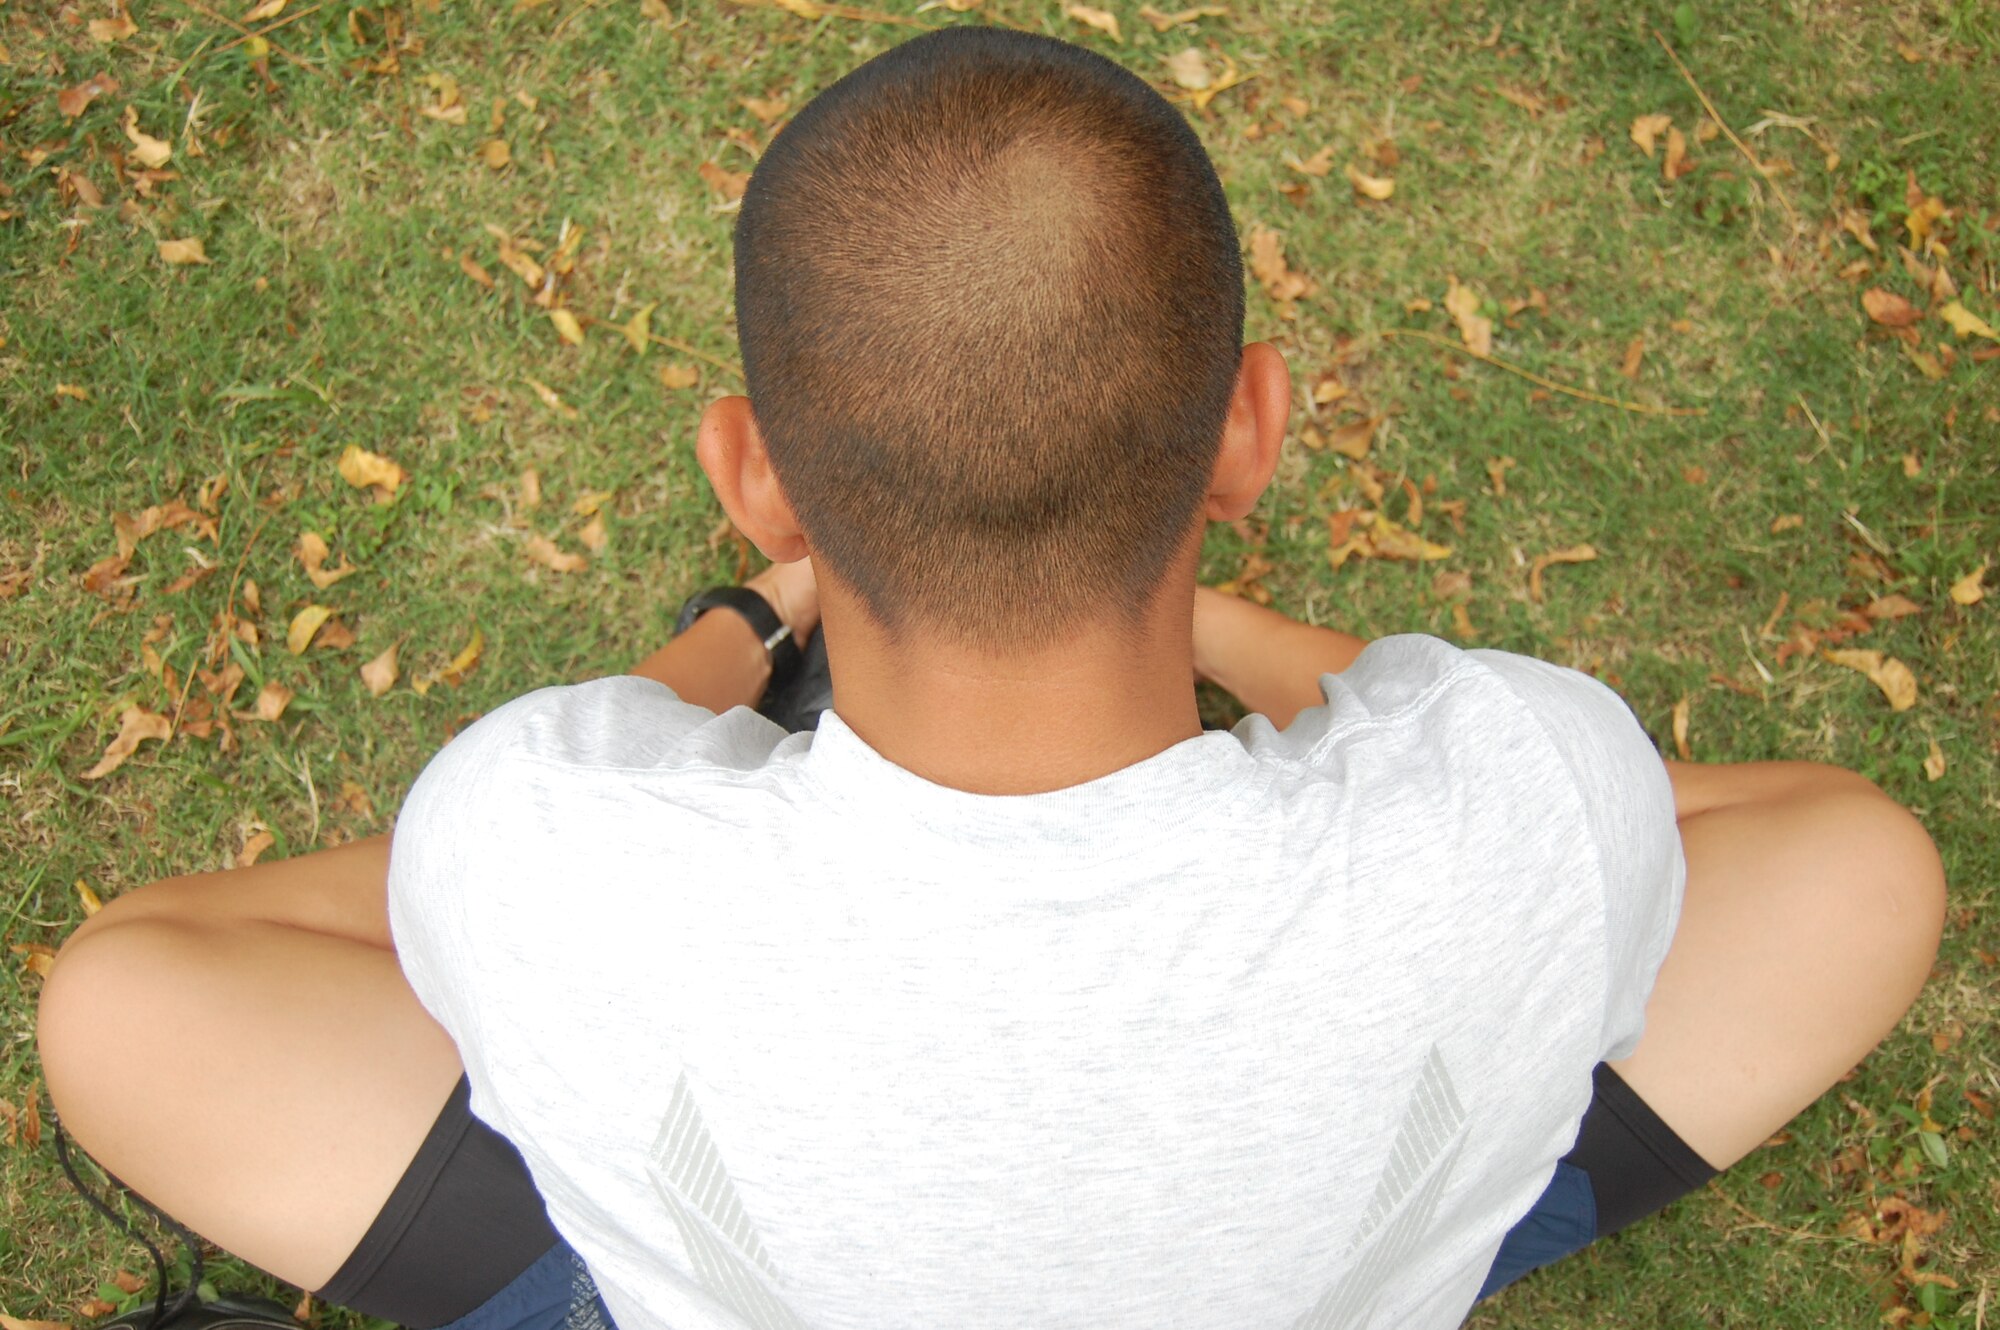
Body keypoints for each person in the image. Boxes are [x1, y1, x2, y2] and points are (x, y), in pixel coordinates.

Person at [37, 25, 1944, 1330]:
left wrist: (764, 618)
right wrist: (1171, 602)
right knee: (1859, 869)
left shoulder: (539, 837)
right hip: (1327, 1241)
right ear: (1249, 435)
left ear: (754, 469)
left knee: (124, 1003)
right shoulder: (1527, 776)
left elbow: (311, 939)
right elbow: (1742, 832)